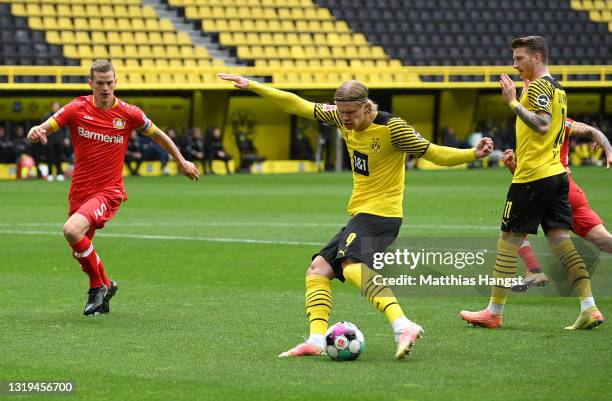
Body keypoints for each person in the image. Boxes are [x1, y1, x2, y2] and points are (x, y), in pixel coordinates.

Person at [219, 72, 493, 359]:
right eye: (341, 113)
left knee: (351, 264)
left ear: (366, 106)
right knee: (318, 269)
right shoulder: (340, 116)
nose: (344, 119)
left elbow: (434, 153)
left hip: (383, 213)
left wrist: (471, 154)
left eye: (350, 113)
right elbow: (296, 104)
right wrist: (253, 86)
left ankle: (403, 325)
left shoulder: (393, 128)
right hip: (362, 212)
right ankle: (315, 339)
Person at [27, 60, 200, 315]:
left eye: (110, 83)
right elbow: (45, 127)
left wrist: (181, 160)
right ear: (91, 84)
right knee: (80, 250)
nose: (106, 88)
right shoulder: (77, 108)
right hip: (80, 192)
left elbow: (159, 135)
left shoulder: (129, 113)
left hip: (108, 191)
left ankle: (97, 287)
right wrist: (35, 131)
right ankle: (107, 285)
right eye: (100, 83)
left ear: (116, 82)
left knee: (71, 230)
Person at [460, 36, 604, 330]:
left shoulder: (539, 86)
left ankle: (493, 312)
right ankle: (589, 308)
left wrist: (512, 101)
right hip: (556, 174)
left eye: (520, 59)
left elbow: (541, 125)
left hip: (533, 178)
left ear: (537, 57)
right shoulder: (558, 89)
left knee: (508, 242)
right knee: (561, 241)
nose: (514, 65)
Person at [502, 117, 612, 291]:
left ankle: (534, 271)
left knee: (513, 225)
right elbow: (592, 130)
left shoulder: (529, 126)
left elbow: (527, 174)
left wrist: (512, 166)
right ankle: (587, 304)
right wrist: (606, 147)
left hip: (546, 188)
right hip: (570, 188)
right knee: (604, 240)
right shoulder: (562, 121)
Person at [42, 101, 68, 181]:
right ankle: (50, 174)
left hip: (59, 139)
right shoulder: (47, 116)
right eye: (54, 106)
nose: (55, 107)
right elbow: (43, 127)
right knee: (50, 157)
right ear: (52, 107)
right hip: (50, 140)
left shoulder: (62, 115)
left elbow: (65, 128)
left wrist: (66, 138)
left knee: (59, 157)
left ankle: (59, 174)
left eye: (57, 106)